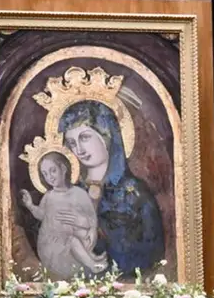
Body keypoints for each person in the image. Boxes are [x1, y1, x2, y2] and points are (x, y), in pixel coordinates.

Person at [58, 100, 166, 280]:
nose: (79, 149)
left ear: (107, 136)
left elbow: (151, 253)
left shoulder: (135, 194)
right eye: (71, 142)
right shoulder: (70, 191)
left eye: (85, 137)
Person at [20, 152, 108, 280]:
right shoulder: (49, 196)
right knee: (72, 240)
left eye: (53, 171)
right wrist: (30, 205)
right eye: (45, 174)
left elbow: (91, 219)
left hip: (72, 239)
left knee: (81, 235)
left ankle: (91, 257)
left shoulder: (79, 194)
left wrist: (85, 224)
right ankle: (92, 264)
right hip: (52, 245)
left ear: (63, 169)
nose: (49, 177)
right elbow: (41, 215)